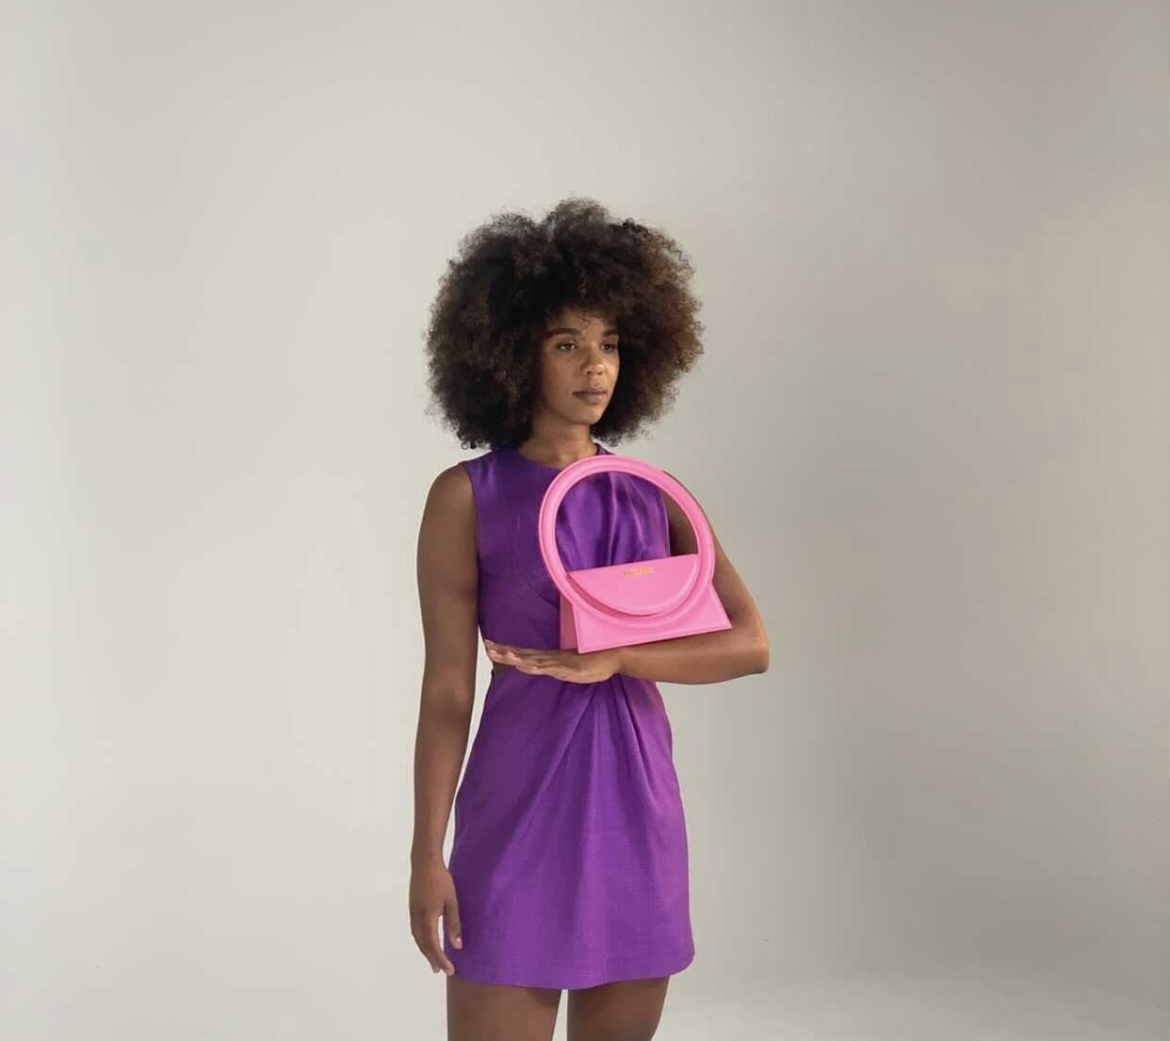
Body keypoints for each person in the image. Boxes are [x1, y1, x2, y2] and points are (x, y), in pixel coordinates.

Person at [409, 198, 769, 1041]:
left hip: (635, 803)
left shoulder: (654, 497)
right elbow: (447, 690)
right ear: (511, 352)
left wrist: (621, 658)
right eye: (567, 343)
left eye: (609, 343)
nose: (595, 366)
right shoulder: (466, 497)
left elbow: (750, 642)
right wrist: (427, 852)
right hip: (517, 802)